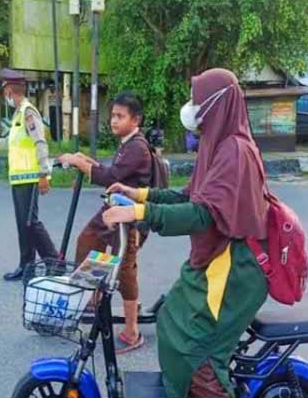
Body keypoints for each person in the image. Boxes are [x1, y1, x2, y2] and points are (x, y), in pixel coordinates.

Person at [103, 69, 269, 397]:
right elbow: (188, 196)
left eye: (196, 100)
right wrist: (140, 195)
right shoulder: (216, 145)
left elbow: (201, 214)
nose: (190, 107)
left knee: (197, 353)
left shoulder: (235, 151)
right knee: (169, 317)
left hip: (236, 267)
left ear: (215, 104)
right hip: (215, 258)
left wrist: (138, 213)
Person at [59, 91, 152, 354]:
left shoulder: (137, 147)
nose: (114, 120)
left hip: (130, 218)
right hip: (113, 213)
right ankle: (94, 302)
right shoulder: (128, 143)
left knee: (125, 271)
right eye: (113, 115)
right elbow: (111, 171)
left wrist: (80, 163)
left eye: (120, 116)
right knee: (88, 243)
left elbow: (111, 176)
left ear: (135, 120)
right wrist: (87, 162)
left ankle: (132, 331)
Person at [0, 68, 58, 281]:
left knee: (31, 223)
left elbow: (40, 142)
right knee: (22, 224)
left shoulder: (28, 112)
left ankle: (54, 261)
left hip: (31, 178)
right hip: (19, 180)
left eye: (4, 90)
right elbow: (8, 142)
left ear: (9, 90)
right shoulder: (18, 114)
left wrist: (44, 174)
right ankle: (26, 265)